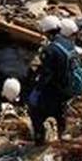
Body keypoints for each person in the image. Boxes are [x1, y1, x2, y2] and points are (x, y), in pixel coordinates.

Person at [27, 15, 74, 144]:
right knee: (60, 113)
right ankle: (62, 136)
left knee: (36, 112)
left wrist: (37, 89)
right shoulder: (68, 44)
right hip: (66, 87)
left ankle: (39, 139)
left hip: (53, 89)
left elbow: (47, 74)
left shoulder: (50, 50)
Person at [0, 42, 30, 113]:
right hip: (2, 53)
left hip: (16, 54)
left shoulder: (24, 75)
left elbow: (25, 92)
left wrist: (22, 104)